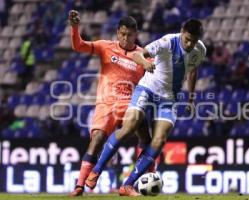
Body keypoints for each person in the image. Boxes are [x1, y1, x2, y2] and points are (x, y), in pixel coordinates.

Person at [85, 19, 206, 196]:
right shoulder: (167, 42)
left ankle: (127, 185)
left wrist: (191, 98)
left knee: (159, 140)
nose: (189, 44)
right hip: (147, 89)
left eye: (193, 41)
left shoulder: (200, 49)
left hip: (169, 97)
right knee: (129, 126)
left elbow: (193, 70)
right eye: (187, 39)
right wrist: (145, 63)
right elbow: (137, 55)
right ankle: (96, 170)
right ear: (182, 32)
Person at [68, 10, 154, 196]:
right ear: (117, 32)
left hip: (131, 104)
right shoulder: (105, 46)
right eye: (122, 33)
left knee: (147, 138)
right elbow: (79, 46)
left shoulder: (142, 55)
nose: (125, 38)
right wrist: (75, 28)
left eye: (130, 35)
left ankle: (148, 175)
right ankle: (80, 186)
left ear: (136, 35)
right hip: (106, 104)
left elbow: (160, 72)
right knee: (97, 139)